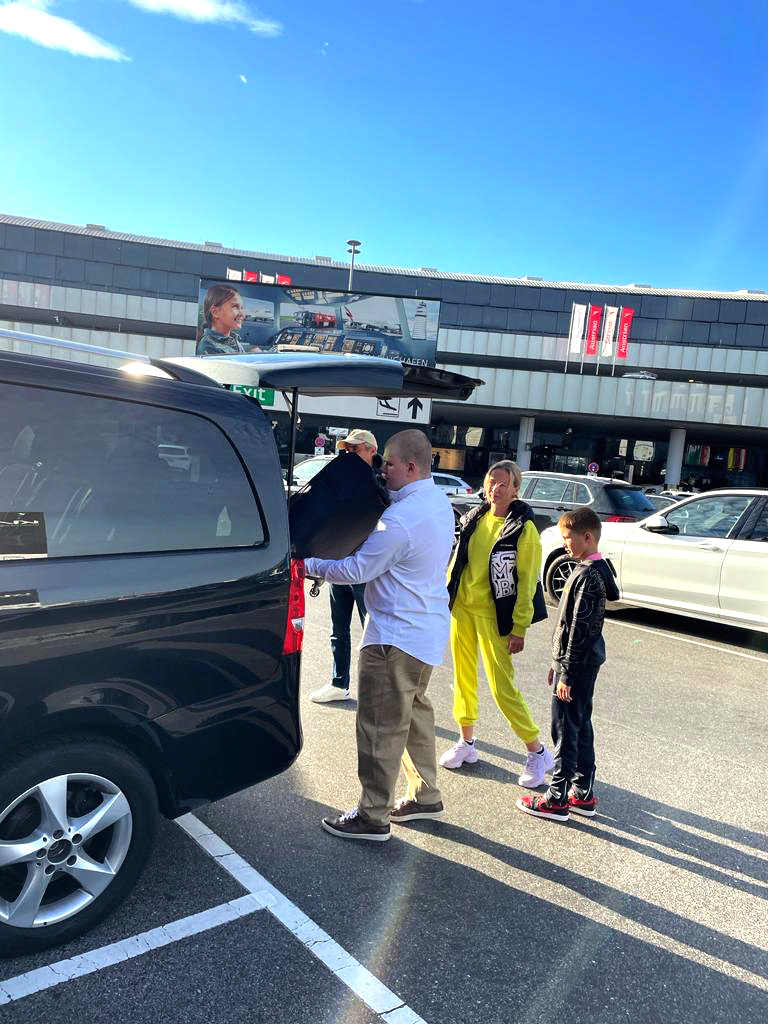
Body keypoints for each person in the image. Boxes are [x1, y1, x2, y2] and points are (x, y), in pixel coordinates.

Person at [304, 429, 454, 842]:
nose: (382, 470)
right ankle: (425, 795)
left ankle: (372, 815)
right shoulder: (438, 502)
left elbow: (357, 570)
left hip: (394, 636)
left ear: (411, 466)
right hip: (424, 632)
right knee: (414, 718)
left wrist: (306, 564)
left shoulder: (401, 519)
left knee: (379, 726)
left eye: (389, 463)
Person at [442, 460, 553, 787]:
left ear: (516, 489)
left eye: (504, 484)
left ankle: (537, 750)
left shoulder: (523, 529)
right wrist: (444, 597)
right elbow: (457, 562)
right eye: (492, 482)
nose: (495, 489)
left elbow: (528, 582)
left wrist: (520, 627)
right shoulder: (475, 517)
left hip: (496, 617)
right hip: (462, 609)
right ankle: (466, 742)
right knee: (463, 679)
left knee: (501, 687)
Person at [517, 507, 620, 822]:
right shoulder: (593, 568)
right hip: (579, 663)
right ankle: (583, 793)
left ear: (587, 537)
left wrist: (567, 674)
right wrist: (557, 661)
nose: (564, 544)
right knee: (580, 723)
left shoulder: (588, 576)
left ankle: (557, 798)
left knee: (563, 728)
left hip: (577, 666)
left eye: (567, 538)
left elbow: (579, 630)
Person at [309, 429, 379, 704]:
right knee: (338, 629)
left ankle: (374, 692)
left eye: (355, 449)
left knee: (371, 632)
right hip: (339, 563)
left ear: (371, 451)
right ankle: (339, 683)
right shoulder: (340, 480)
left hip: (364, 568)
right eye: (347, 450)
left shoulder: (379, 482)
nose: (348, 454)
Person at [196, 285, 246, 355]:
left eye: (242, 308)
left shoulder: (234, 341)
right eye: (235, 307)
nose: (242, 314)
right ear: (215, 312)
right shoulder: (208, 346)